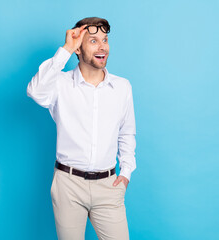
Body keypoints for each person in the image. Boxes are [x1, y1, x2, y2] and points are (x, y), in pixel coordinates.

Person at [27, 16, 136, 240]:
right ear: (79, 48)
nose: (102, 46)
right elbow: (35, 91)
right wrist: (66, 48)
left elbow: (126, 132)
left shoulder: (122, 87)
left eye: (105, 40)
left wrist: (125, 172)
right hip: (68, 185)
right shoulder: (60, 84)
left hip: (108, 185)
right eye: (93, 41)